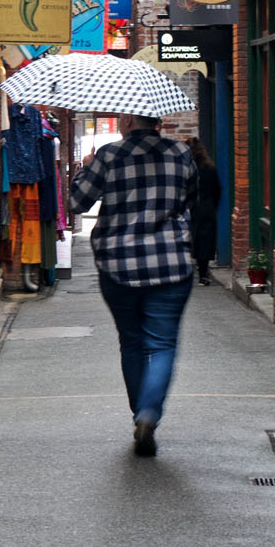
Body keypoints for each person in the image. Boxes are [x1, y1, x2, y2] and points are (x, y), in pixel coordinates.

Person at [68, 113, 198, 456]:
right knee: (163, 343)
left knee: (132, 342)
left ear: (127, 121)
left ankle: (138, 413)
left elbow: (76, 202)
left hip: (118, 265)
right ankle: (149, 412)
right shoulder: (181, 153)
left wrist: (87, 167)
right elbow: (192, 198)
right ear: (157, 120)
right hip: (171, 263)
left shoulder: (110, 156)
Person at [187, 139, 222, 285]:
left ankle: (186, 273)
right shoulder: (209, 167)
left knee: (189, 239)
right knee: (205, 242)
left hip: (190, 208)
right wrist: (212, 206)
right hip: (207, 208)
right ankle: (203, 275)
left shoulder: (186, 168)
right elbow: (217, 190)